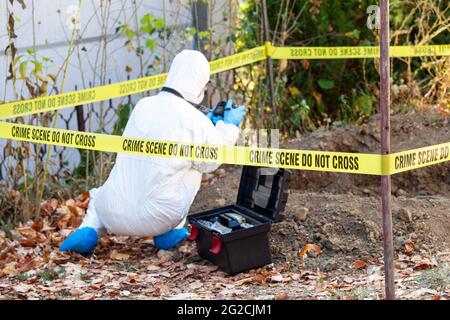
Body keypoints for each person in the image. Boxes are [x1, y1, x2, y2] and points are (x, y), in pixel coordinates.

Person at [59, 50, 245, 254]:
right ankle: (170, 232)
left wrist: (206, 125)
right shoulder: (194, 120)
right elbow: (212, 160)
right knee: (195, 165)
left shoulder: (142, 106)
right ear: (200, 83)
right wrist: (229, 126)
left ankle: (90, 228)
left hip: (111, 211)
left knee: (108, 188)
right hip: (159, 216)